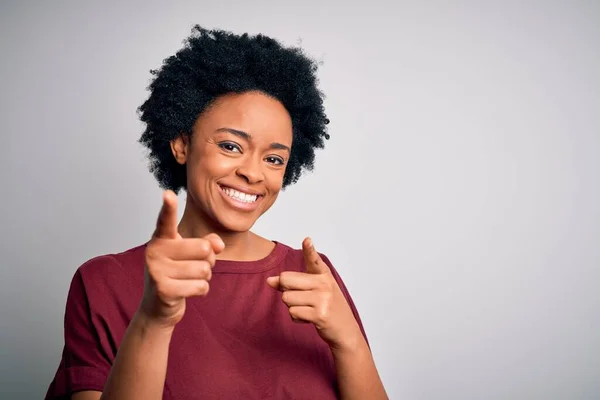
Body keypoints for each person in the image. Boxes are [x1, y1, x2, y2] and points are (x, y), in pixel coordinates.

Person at [45, 25, 388, 400]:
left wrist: (349, 341)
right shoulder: (105, 283)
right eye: (230, 146)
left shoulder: (312, 276)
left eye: (274, 158)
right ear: (181, 144)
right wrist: (154, 320)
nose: (254, 173)